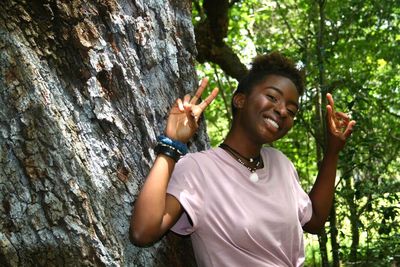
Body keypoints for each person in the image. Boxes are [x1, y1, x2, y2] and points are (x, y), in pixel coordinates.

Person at [130, 52, 356, 266]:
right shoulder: (198, 169)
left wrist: (333, 152)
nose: (283, 111)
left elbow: (315, 220)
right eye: (272, 97)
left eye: (292, 109)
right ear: (240, 100)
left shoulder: (281, 164)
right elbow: (143, 232)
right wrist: (171, 145)